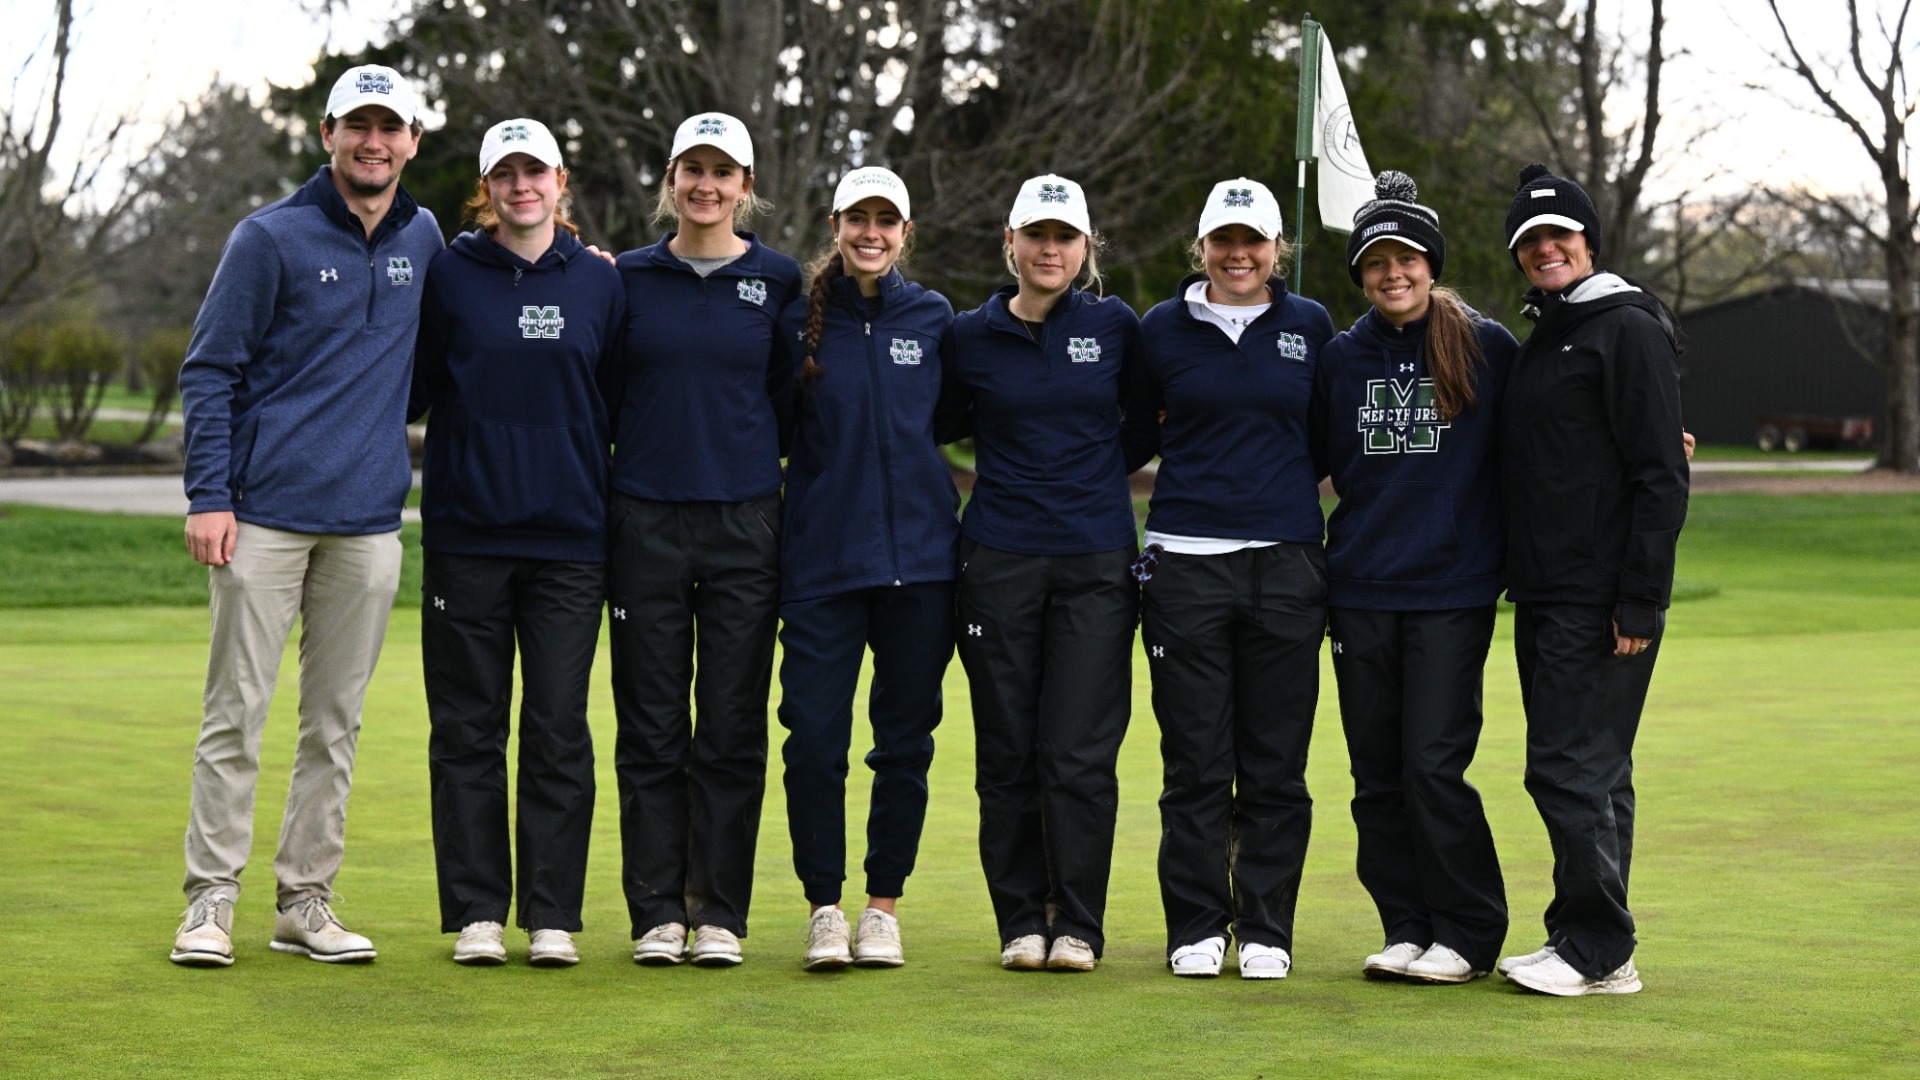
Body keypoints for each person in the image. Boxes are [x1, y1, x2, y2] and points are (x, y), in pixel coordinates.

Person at [170, 65, 443, 967]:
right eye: (357, 125)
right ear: (328, 132)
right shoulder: (269, 238)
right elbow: (209, 370)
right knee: (235, 712)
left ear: (412, 141)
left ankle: (304, 900)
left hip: (368, 522)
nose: (374, 142)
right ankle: (210, 900)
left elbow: (478, 310)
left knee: (336, 721)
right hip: (264, 517)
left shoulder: (427, 237)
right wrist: (209, 494)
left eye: (390, 128)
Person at [410, 119, 624, 968]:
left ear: (560, 181)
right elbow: (418, 387)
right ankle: (475, 913)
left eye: (535, 171)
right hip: (467, 536)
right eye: (506, 173)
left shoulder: (602, 284)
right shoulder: (448, 274)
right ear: (487, 184)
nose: (521, 185)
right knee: (467, 729)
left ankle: (552, 916)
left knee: (557, 728)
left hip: (571, 541)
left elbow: (612, 399)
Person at [1124, 177, 1335, 981]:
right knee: (1197, 763)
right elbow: (1137, 432)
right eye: (1224, 240)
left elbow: (1322, 440)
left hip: (1285, 563)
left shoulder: (1309, 324)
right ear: (1203, 246)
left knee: (1277, 762)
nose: (1238, 255)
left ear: (1276, 248)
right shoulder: (1160, 329)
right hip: (1184, 566)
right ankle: (1197, 925)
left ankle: (1268, 929)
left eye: (1253, 241)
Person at [608, 112, 802, 967]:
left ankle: (718, 910)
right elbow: (606, 391)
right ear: (671, 178)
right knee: (650, 726)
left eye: (724, 172)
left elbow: (787, 399)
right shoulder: (626, 278)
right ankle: (655, 910)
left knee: (729, 726)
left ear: (746, 187)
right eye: (693, 168)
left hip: (745, 521)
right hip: (644, 517)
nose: (707, 186)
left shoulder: (779, 280)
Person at [1313, 171, 1514, 985]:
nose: (1392, 274)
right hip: (1359, 589)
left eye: (1406, 259)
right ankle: (1406, 924)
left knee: (1432, 764)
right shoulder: (1341, 356)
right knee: (1376, 775)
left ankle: (1467, 932)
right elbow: (1307, 457)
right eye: (1375, 262)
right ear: (1360, 274)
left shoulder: (1486, 345)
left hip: (1451, 592)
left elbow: (1549, 435)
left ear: (1430, 264)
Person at [1495, 163, 1688, 997]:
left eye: (1558, 237)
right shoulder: (1554, 330)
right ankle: (1587, 938)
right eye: (1530, 242)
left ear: (1588, 241)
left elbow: (1659, 474)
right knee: (1599, 773)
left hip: (1600, 596)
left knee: (1567, 769)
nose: (1545, 250)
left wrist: (1640, 597)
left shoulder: (1625, 328)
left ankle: (1598, 947)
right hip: (1546, 590)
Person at [941, 175, 1141, 973]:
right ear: (1010, 242)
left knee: (1079, 754)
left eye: (1065, 236)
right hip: (997, 560)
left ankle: (1080, 926)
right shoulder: (970, 334)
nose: (1050, 249)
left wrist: (1089, 479)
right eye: (1036, 235)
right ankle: (1022, 918)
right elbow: (942, 422)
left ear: (1086, 248)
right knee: (1009, 752)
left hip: (1095, 560)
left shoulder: (1118, 327)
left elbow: (1145, 422)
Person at [776, 166, 958, 971]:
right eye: (859, 219)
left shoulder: (935, 319)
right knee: (814, 740)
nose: (872, 233)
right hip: (823, 564)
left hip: (921, 566)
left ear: (905, 232)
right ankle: (824, 905)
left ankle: (882, 907)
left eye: (887, 221)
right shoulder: (798, 324)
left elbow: (951, 421)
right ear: (836, 223)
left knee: (903, 745)